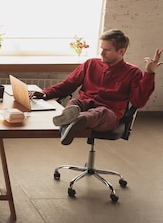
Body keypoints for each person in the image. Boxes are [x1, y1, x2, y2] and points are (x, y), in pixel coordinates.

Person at [30, 29, 161, 145]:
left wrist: (149, 74)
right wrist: (45, 93)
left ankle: (75, 121)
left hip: (109, 114)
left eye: (107, 50)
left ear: (121, 51)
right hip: (85, 104)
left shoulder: (133, 72)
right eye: (101, 48)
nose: (102, 53)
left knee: (101, 112)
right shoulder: (90, 64)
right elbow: (68, 84)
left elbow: (138, 102)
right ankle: (71, 121)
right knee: (75, 102)